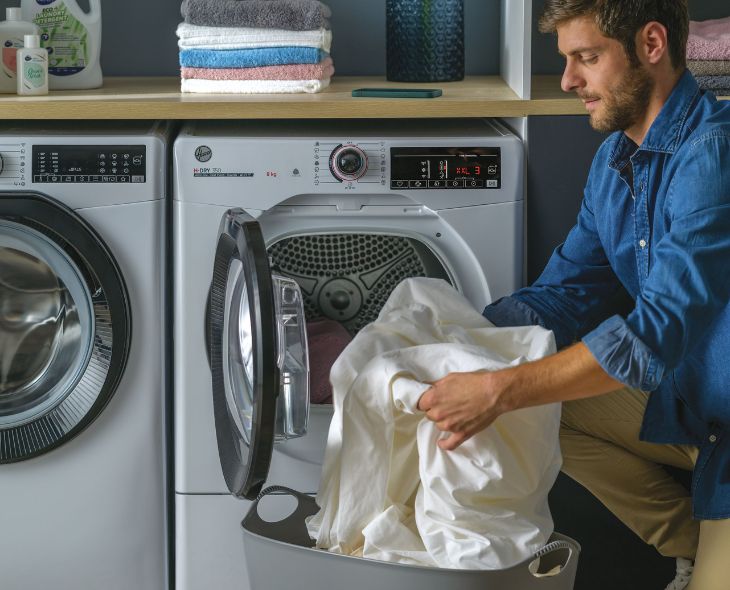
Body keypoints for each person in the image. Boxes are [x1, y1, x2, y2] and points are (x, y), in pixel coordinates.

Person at [416, 1, 730, 589]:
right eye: (566, 61)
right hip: (692, 407)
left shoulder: (714, 156)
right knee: (534, 396)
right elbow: (563, 297)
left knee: (517, 391)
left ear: (651, 44)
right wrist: (443, 346)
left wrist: (497, 389)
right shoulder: (615, 161)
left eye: (586, 58)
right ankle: (697, 542)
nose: (568, 82)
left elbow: (654, 334)